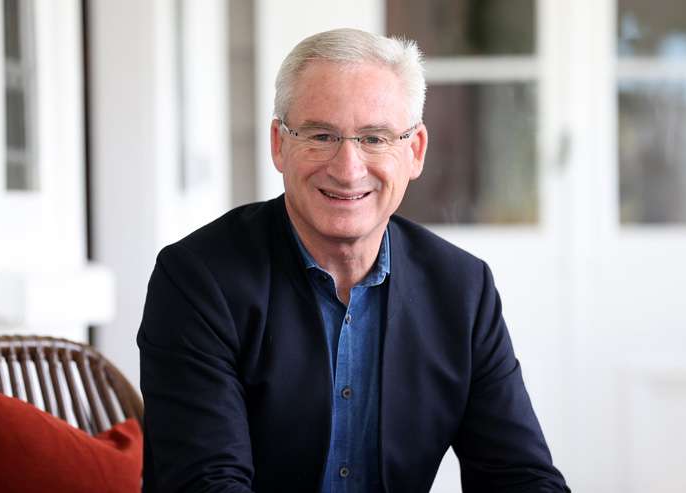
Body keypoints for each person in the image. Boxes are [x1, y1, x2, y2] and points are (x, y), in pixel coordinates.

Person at [137, 28, 569, 493]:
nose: (347, 169)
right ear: (279, 145)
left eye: (375, 138)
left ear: (415, 150)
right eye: (321, 135)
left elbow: (521, 476)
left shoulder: (463, 290)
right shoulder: (197, 281)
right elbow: (208, 485)